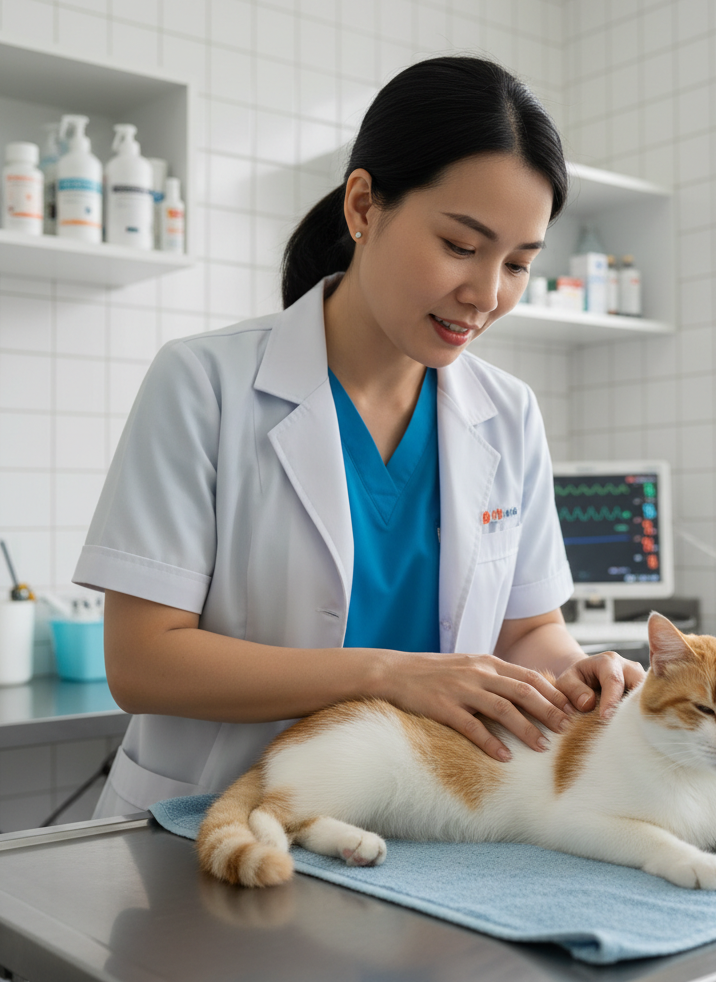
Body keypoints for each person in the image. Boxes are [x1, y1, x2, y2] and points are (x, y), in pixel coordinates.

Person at [74, 56, 645, 817]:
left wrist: (579, 674)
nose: (485, 294)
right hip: (210, 825)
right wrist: (383, 674)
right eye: (460, 246)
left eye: (516, 264)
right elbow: (143, 662)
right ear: (364, 206)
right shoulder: (203, 382)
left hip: (421, 825)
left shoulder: (507, 414)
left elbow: (529, 629)